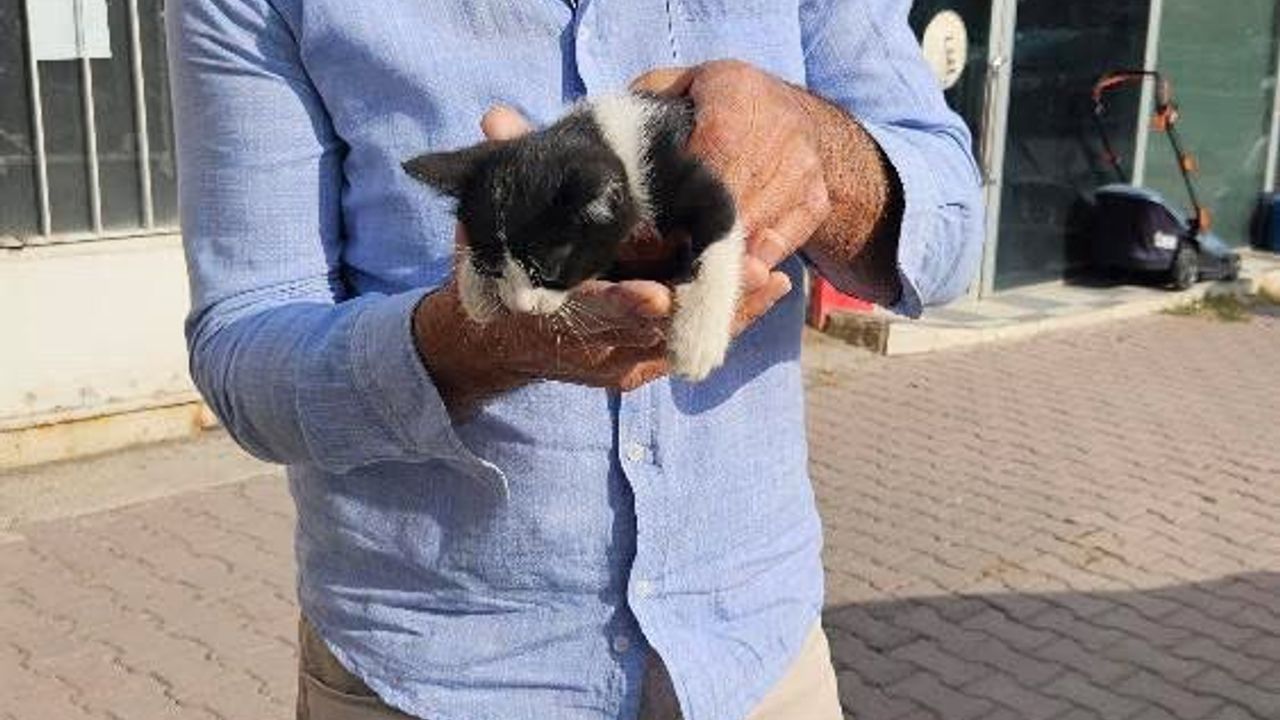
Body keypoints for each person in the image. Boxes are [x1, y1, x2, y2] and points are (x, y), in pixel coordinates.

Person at [169, 1, 982, 718]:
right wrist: (469, 343)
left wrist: (816, 151)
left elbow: (949, 230)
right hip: (437, 673)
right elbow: (245, 353)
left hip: (754, 657)